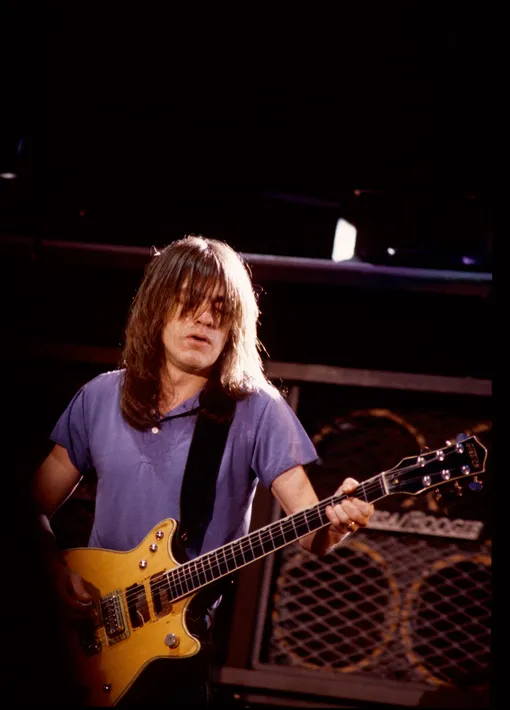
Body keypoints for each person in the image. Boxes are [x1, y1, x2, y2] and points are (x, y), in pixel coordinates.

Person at [32, 234, 375, 707]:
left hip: (177, 656)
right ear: (156, 306)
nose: (207, 318)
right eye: (191, 301)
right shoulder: (100, 397)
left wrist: (336, 523)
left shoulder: (258, 410)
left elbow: (310, 531)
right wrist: (51, 570)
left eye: (221, 307)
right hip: (88, 639)